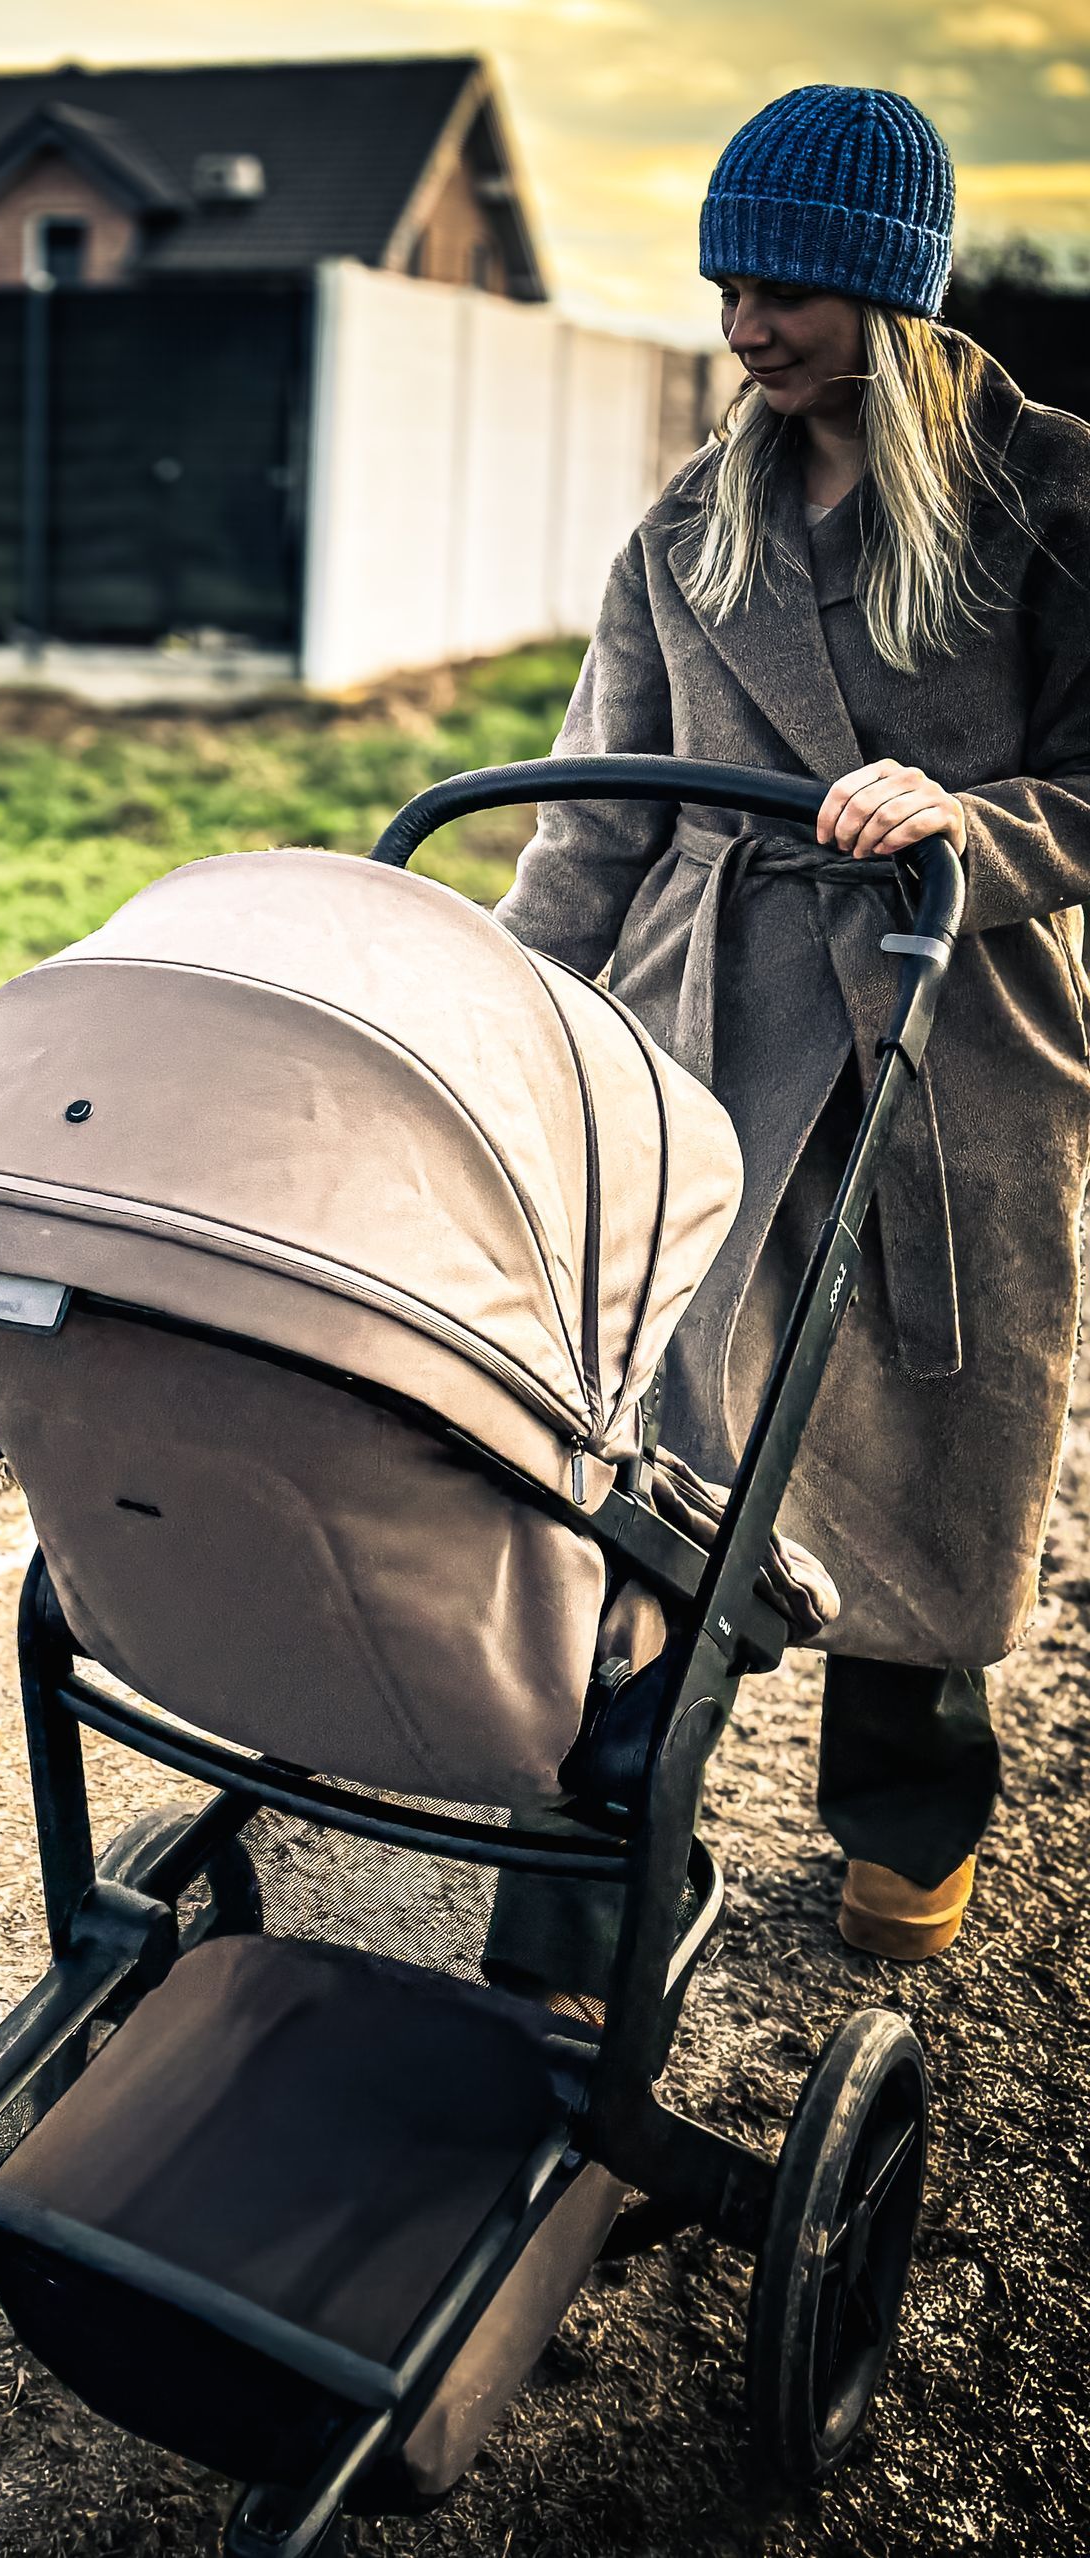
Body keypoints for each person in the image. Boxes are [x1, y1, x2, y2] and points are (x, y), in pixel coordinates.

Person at [496, 85, 1090, 1961]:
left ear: (888, 297)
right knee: (658, 1442)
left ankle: (905, 1814)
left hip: (956, 1044)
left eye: (785, 295)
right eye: (726, 288)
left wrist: (967, 823)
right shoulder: (687, 531)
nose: (743, 329)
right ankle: (600, 1869)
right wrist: (502, 1022)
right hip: (714, 1030)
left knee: (928, 1433)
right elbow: (594, 818)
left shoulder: (1053, 496)